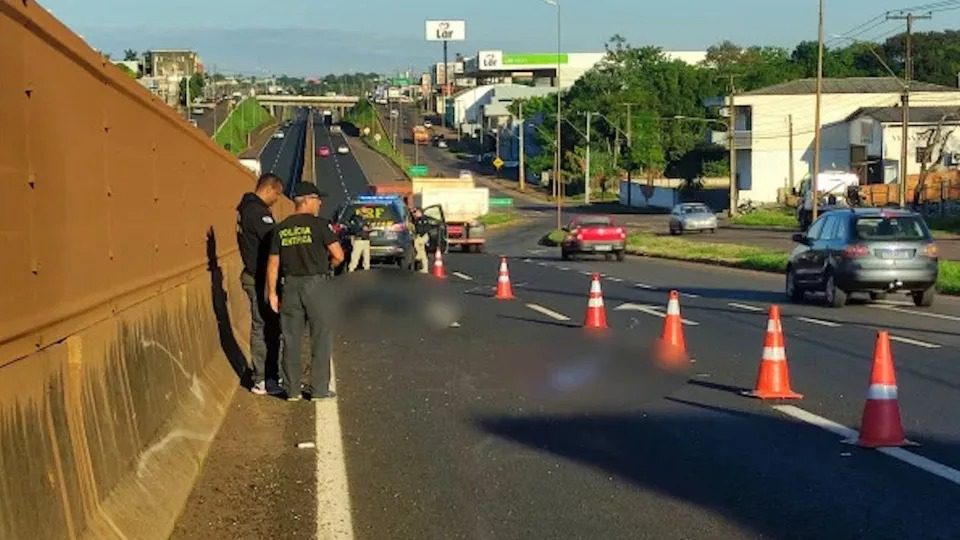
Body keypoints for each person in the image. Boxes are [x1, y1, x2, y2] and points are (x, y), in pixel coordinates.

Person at [266, 182, 345, 401]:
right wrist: (328, 268)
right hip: (317, 285)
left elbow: (273, 263)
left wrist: (273, 292)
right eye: (318, 199)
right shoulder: (321, 226)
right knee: (321, 337)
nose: (320, 204)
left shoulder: (281, 228)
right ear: (308, 200)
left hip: (290, 285)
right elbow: (338, 255)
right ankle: (319, 390)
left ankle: (292, 390)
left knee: (291, 338)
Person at [236, 173, 284, 395]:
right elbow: (274, 242)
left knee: (266, 325)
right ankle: (262, 378)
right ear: (269, 189)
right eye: (277, 194)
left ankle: (267, 375)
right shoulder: (257, 213)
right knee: (263, 326)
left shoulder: (246, 209)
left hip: (253, 274)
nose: (277, 199)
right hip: (259, 278)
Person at [411, 207, 431, 274]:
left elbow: (425, 228)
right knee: (423, 253)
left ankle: (418, 255)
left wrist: (419, 234)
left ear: (419, 212)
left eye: (415, 212)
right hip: (420, 236)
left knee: (416, 242)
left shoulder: (423, 219)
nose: (414, 214)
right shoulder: (417, 219)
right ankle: (425, 269)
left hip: (424, 236)